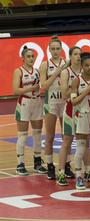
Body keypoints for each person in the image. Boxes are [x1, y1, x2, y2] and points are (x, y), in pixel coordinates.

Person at [58, 46, 90, 189]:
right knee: (67, 141)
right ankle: (60, 172)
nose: (78, 57)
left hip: (85, 111)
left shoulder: (88, 72)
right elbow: (65, 94)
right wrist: (75, 87)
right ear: (70, 56)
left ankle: (88, 171)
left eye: (80, 54)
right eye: (75, 54)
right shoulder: (67, 72)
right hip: (71, 110)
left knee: (85, 142)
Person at [13, 46, 46, 175]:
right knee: (23, 135)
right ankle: (20, 164)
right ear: (23, 58)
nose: (31, 58)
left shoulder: (37, 71)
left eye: (32, 56)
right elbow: (15, 90)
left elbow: (42, 86)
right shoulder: (19, 71)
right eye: (28, 56)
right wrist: (32, 87)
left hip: (37, 102)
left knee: (38, 134)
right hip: (24, 103)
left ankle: (37, 162)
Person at [39, 36, 67, 182]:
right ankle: (50, 165)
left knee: (66, 137)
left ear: (61, 49)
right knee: (49, 137)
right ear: (49, 50)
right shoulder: (45, 65)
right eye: (53, 49)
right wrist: (57, 72)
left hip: (65, 101)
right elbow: (43, 86)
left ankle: (66, 165)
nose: (55, 51)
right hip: (51, 102)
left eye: (58, 48)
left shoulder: (67, 63)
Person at [70, 53, 90, 195]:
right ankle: (78, 177)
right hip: (81, 115)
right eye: (86, 65)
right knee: (81, 147)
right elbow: (73, 101)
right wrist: (87, 91)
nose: (89, 68)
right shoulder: (77, 81)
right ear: (81, 66)